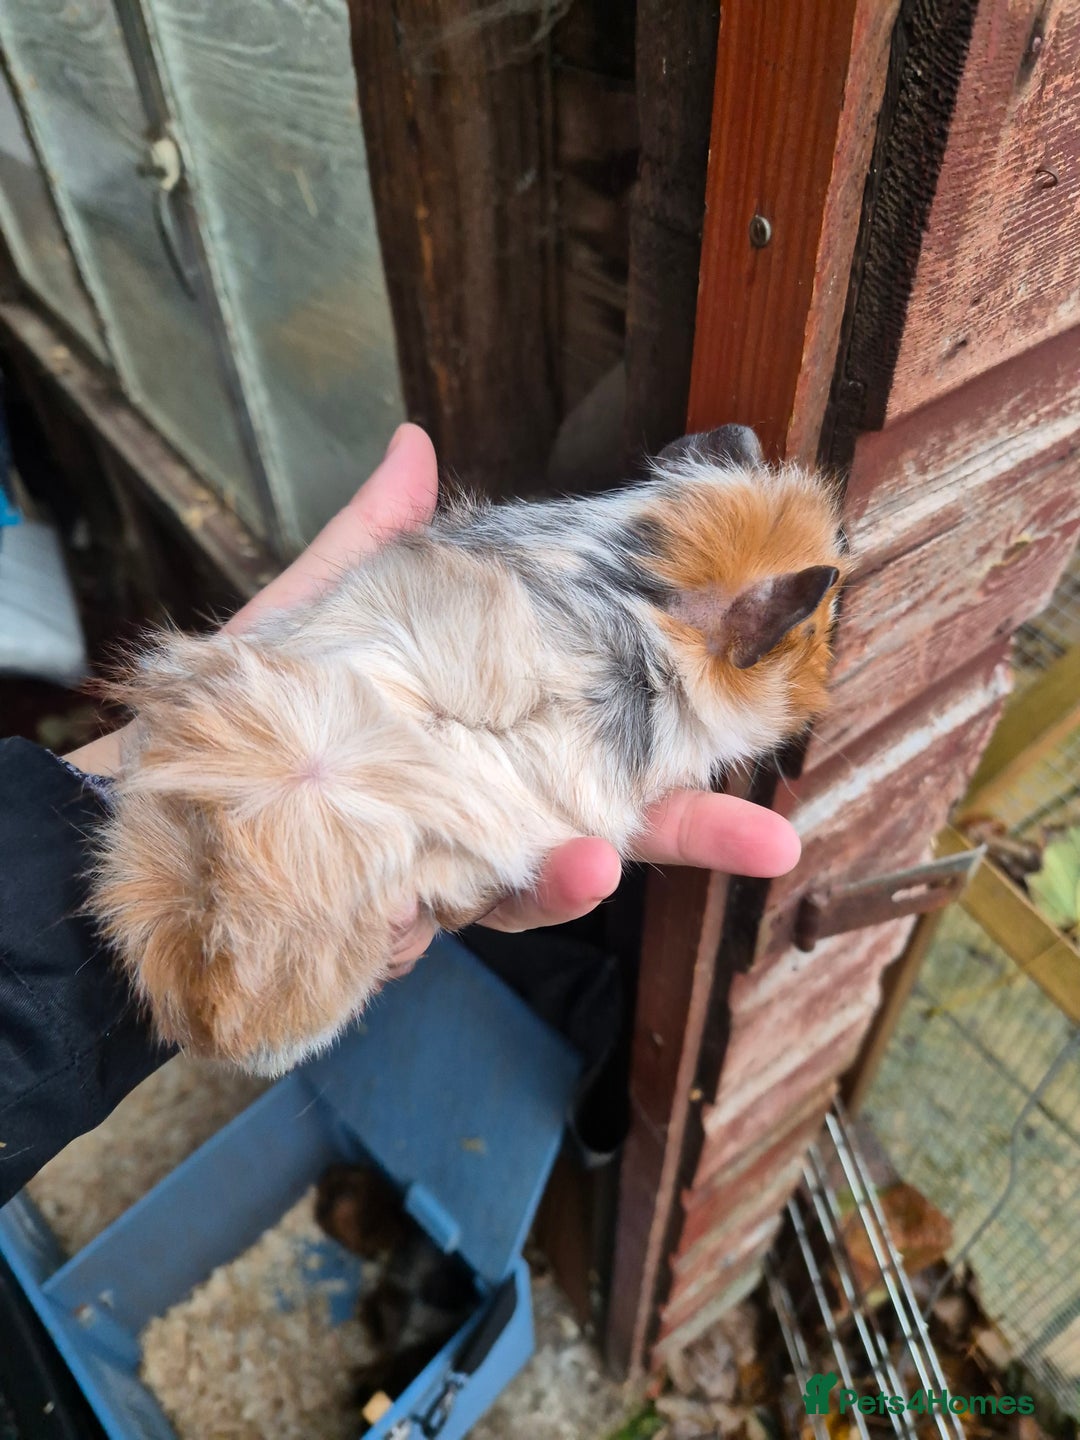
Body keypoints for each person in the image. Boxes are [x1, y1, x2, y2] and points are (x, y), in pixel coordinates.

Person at [0, 425, 800, 1205]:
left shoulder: (493, 560)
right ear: (751, 624)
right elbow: (233, 1018)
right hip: (241, 923)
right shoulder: (628, 725)